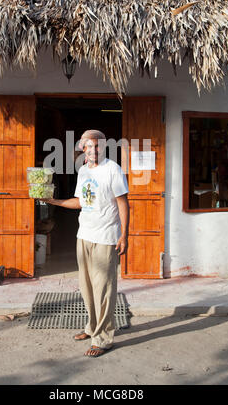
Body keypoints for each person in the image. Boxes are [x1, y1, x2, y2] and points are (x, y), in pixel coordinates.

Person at [45, 129, 129, 357]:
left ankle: (103, 338)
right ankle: (92, 328)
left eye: (97, 145)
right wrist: (54, 201)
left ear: (104, 146)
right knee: (87, 287)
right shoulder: (83, 171)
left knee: (104, 288)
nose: (93, 150)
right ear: (83, 149)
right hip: (84, 235)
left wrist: (124, 235)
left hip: (106, 237)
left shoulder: (113, 170)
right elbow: (81, 202)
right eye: (88, 146)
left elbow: (123, 204)